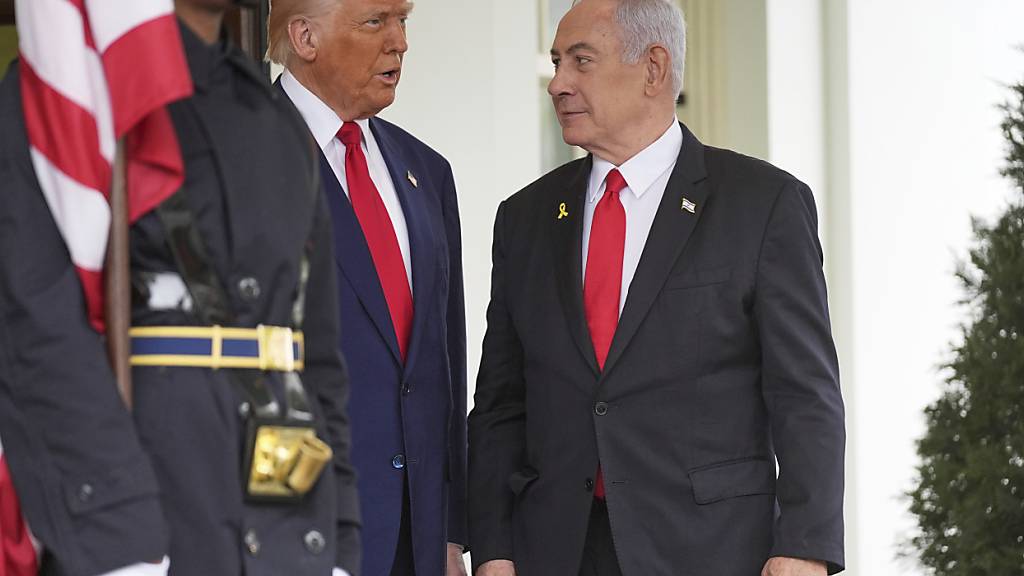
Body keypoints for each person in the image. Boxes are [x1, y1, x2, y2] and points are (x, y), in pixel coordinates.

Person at [467, 0, 846, 575]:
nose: (558, 83)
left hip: (710, 549)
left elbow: (804, 393)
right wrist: (493, 548)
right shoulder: (525, 218)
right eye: (556, 61)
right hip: (556, 550)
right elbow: (501, 403)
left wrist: (804, 546)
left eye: (581, 61)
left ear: (653, 68)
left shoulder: (762, 204)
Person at [0, 1, 360, 574]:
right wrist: (120, 545)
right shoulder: (66, 86)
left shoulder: (276, 121)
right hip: (142, 528)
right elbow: (36, 327)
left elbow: (316, 360)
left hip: (290, 533)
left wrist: (340, 541)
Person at [266, 1, 468, 575]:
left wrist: (452, 532)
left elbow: (444, 360)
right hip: (299, 528)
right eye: (376, 21)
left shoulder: (427, 171)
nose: (400, 42)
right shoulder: (241, 156)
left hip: (418, 539)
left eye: (404, 21)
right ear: (305, 37)